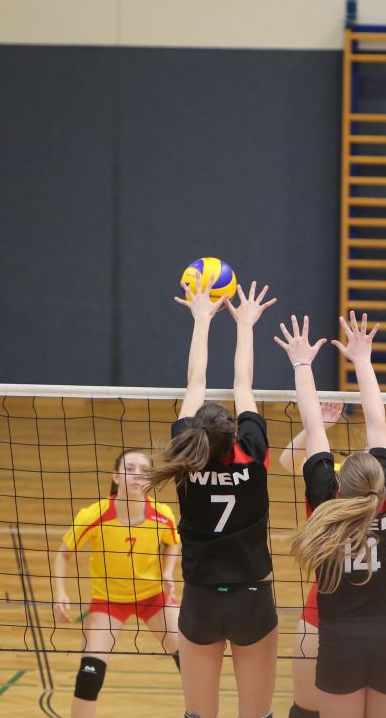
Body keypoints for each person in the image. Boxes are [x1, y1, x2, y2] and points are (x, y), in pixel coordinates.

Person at [144, 273, 278, 718]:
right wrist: (246, 324)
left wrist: (201, 319)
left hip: (200, 597)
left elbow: (195, 383)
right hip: (252, 596)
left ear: (196, 434)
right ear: (235, 432)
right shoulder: (253, 452)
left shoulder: (185, 457)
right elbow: (244, 385)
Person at [276, 311, 386, 718]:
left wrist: (302, 364)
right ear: (385, 475)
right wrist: (363, 359)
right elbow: (377, 421)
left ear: (340, 479)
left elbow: (314, 427)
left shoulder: (326, 505)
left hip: (339, 640)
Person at [52, 448, 181, 718]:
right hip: (108, 602)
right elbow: (64, 554)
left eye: (144, 470)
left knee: (192, 661)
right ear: (116, 476)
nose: (137, 475)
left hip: (153, 597)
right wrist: (60, 593)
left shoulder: (162, 515)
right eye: (129, 469)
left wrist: (168, 571)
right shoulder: (94, 515)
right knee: (89, 676)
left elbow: (173, 543)